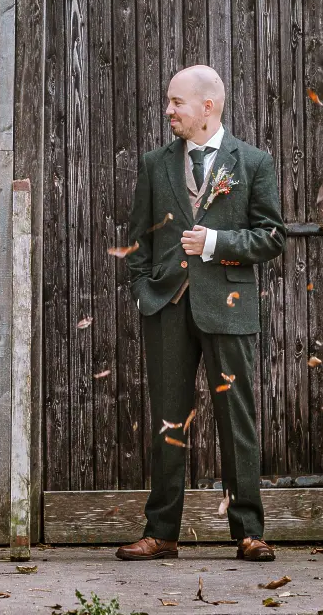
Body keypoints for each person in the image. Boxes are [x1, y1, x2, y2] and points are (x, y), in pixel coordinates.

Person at [115, 65, 285, 563]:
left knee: (238, 420)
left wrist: (215, 242)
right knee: (169, 420)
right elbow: (138, 238)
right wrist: (143, 291)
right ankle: (161, 531)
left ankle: (248, 531)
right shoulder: (154, 163)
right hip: (167, 307)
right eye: (169, 102)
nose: (168, 110)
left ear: (207, 106)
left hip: (229, 307)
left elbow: (272, 235)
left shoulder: (252, 161)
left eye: (176, 102)